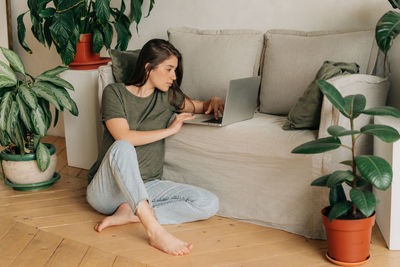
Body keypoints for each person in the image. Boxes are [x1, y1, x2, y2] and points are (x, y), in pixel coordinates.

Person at [86, 39, 223, 256]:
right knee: (123, 147)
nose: (174, 77)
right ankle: (154, 231)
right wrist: (170, 130)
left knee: (208, 203)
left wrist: (214, 100)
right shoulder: (114, 93)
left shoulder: (168, 96)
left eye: (175, 70)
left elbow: (202, 105)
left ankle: (132, 213)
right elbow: (124, 136)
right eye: (169, 69)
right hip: (107, 192)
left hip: (148, 186)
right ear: (149, 67)